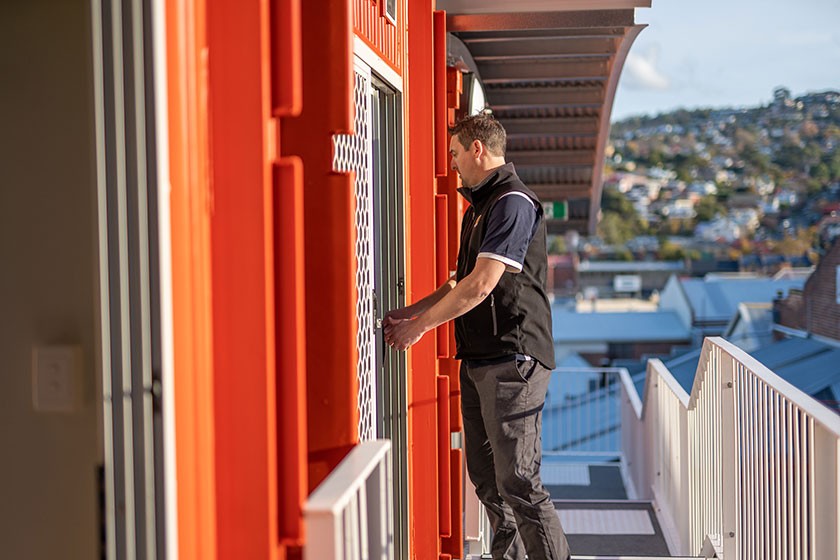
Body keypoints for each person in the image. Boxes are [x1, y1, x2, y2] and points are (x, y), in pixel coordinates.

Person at [384, 114, 570, 560]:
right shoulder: (481, 208)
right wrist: (410, 312)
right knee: (489, 482)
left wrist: (420, 328)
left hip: (514, 358)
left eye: (454, 153)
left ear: (477, 150)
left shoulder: (513, 202)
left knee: (519, 482)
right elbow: (459, 282)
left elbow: (482, 283)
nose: (452, 164)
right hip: (481, 359)